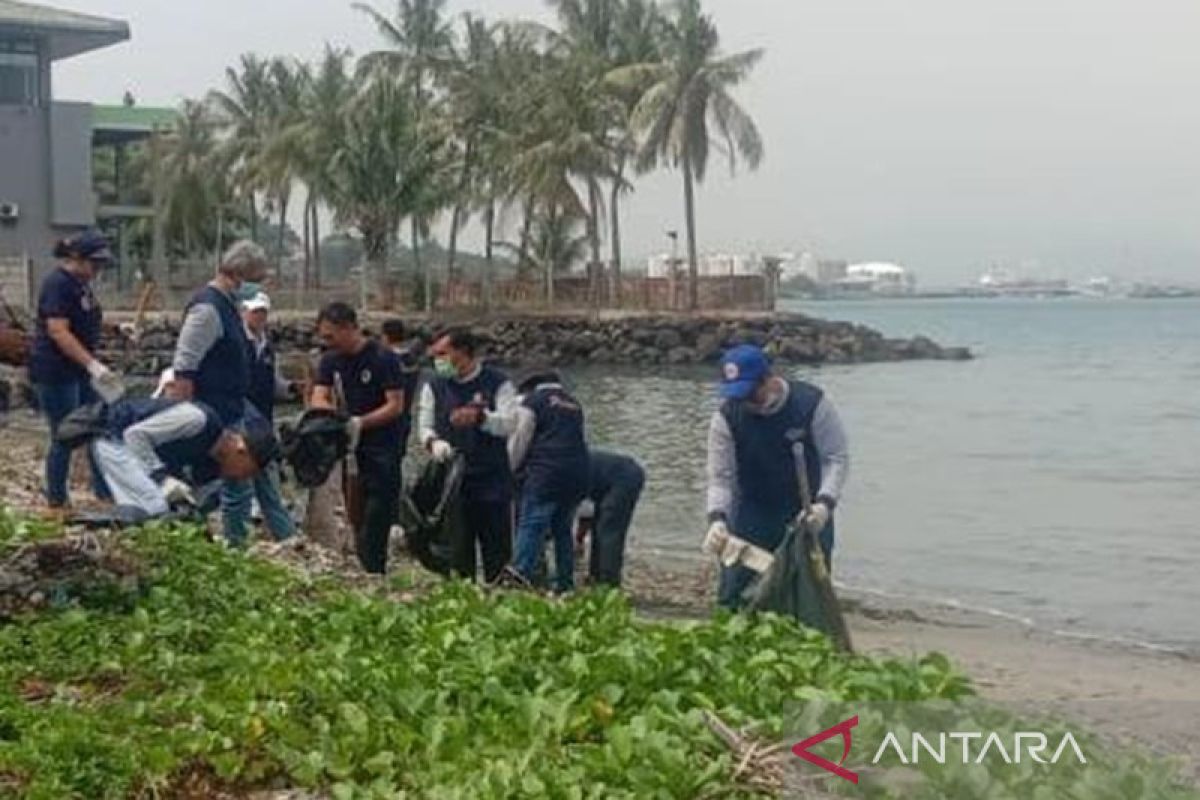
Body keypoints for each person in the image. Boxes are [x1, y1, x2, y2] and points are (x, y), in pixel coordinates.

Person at [704, 344, 850, 610]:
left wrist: (824, 504)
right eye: (738, 396)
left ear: (769, 380)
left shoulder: (811, 404)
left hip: (807, 512)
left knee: (811, 596)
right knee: (734, 596)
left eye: (751, 393)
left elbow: (835, 458)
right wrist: (717, 519)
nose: (746, 402)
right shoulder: (726, 417)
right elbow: (720, 477)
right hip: (751, 511)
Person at [165, 240, 268, 545]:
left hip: (229, 408)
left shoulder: (228, 306)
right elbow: (185, 367)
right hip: (210, 413)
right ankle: (197, 534)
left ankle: (221, 542)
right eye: (254, 280)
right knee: (221, 483)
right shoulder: (208, 309)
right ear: (238, 275)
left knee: (234, 484)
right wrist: (183, 419)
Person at [29, 229, 122, 510]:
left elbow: (83, 319)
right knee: (65, 434)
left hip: (80, 370)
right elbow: (58, 331)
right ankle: (57, 500)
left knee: (98, 427)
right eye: (94, 264)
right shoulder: (58, 284)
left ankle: (104, 492)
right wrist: (92, 364)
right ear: (76, 259)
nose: (97, 270)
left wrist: (114, 330)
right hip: (57, 371)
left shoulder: (81, 285)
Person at [416, 328, 519, 583]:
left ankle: (499, 594)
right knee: (458, 550)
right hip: (453, 482)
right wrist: (433, 443)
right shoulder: (435, 385)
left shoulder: (498, 382)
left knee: (497, 548)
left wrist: (481, 418)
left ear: (462, 353)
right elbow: (424, 425)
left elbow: (510, 423)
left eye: (442, 354)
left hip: (492, 479)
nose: (437, 360)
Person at [310, 302, 405, 574]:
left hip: (382, 446)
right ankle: (360, 562)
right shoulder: (331, 360)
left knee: (378, 513)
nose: (327, 342)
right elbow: (320, 393)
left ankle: (375, 567)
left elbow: (395, 404)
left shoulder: (383, 358)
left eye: (331, 336)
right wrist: (330, 416)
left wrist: (360, 422)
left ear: (349, 328)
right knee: (354, 511)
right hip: (349, 447)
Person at [88, 397, 278, 519]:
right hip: (114, 438)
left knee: (172, 512)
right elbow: (134, 436)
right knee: (153, 506)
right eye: (247, 471)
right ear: (241, 450)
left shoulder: (211, 466)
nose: (241, 477)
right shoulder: (198, 420)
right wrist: (160, 478)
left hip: (138, 457)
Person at [504, 369, 590, 593]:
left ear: (530, 387)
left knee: (531, 523)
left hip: (546, 473)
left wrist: (508, 470)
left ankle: (520, 574)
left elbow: (520, 439)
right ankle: (564, 584)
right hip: (578, 473)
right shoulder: (574, 404)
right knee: (562, 528)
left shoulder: (533, 402)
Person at [241, 291, 299, 541]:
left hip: (263, 416)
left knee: (266, 466)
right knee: (246, 467)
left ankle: (278, 526)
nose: (260, 317)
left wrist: (290, 389)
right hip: (241, 415)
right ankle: (252, 522)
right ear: (244, 312)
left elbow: (272, 380)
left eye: (263, 312)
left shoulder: (267, 345)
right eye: (256, 312)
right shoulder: (237, 342)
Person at [575, 450, 645, 588]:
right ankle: (595, 576)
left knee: (608, 530)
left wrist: (579, 539)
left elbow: (585, 511)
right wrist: (579, 539)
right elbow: (587, 514)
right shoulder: (564, 466)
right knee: (598, 527)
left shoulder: (567, 472)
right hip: (606, 480)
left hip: (625, 477)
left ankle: (609, 582)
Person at [379, 318, 422, 454]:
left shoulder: (385, 361)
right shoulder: (413, 359)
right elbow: (447, 371)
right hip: (405, 417)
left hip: (385, 419)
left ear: (385, 337)